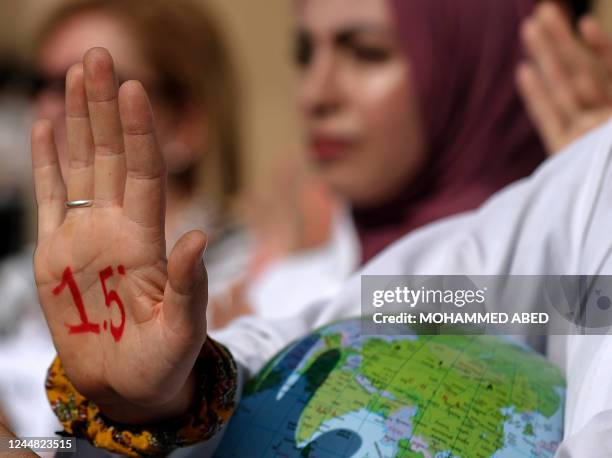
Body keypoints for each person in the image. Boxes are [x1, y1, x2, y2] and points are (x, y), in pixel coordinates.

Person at [27, 0, 612, 457]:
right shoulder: (536, 251)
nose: (316, 94)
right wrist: (166, 399)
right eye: (305, 54)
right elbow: (356, 325)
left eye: (368, 52)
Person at [0, 0, 249, 439]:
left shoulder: (257, 275)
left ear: (186, 123)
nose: (52, 107)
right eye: (42, 83)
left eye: (93, 85)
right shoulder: (15, 282)